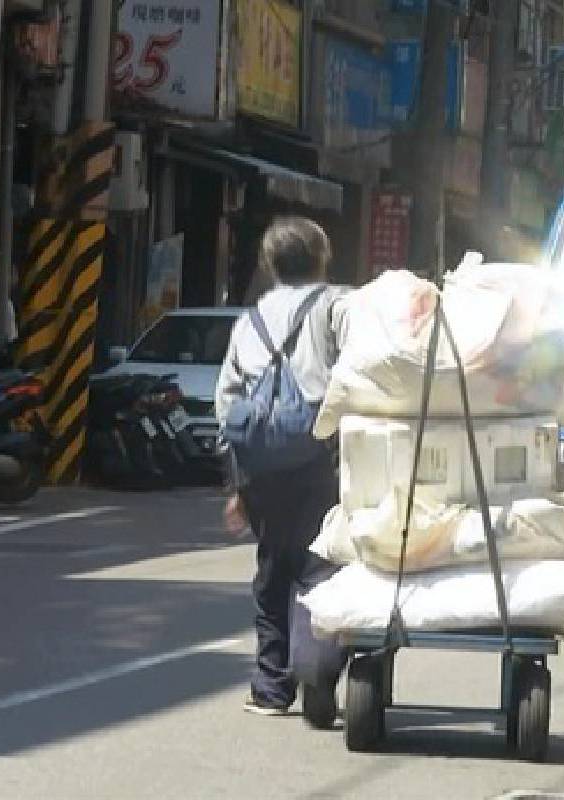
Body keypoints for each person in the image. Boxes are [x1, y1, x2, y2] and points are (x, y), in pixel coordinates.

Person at [215, 216, 347, 725]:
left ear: (270, 265)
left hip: (261, 466)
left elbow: (226, 403)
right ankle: (316, 673)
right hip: (320, 460)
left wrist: (237, 483)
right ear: (322, 257)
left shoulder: (249, 320)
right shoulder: (337, 306)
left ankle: (271, 688)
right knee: (320, 568)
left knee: (272, 570)